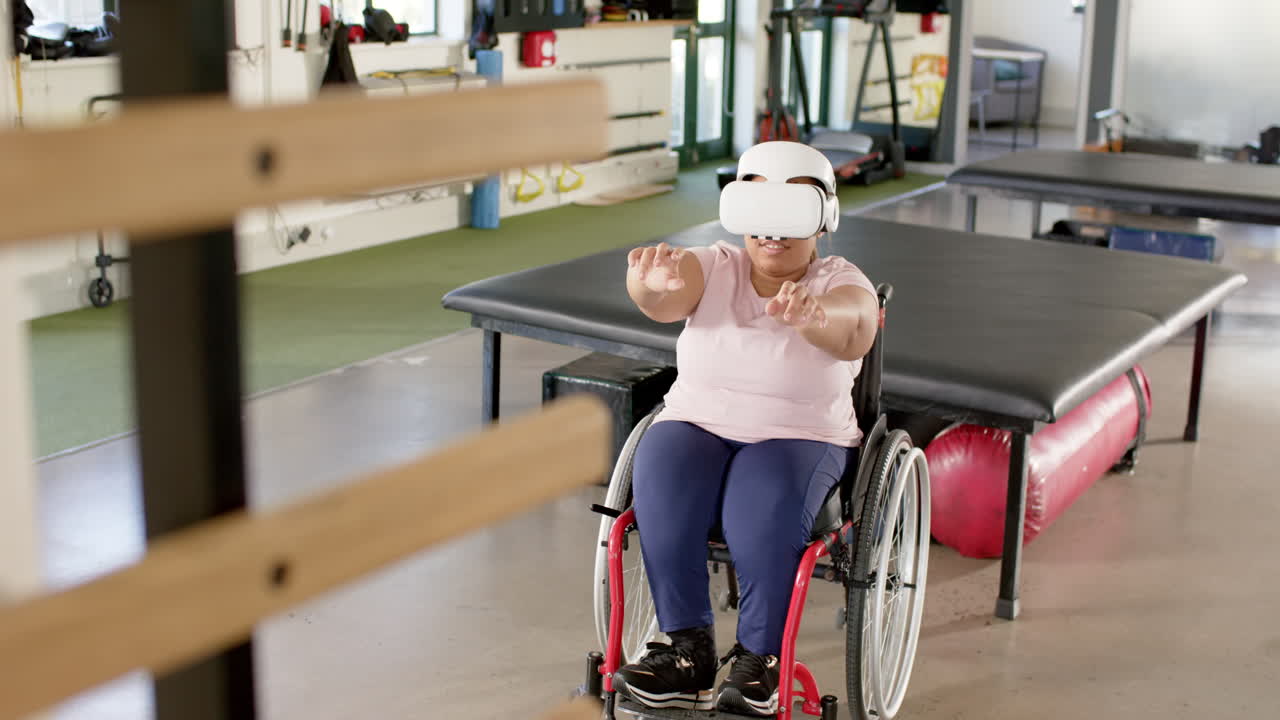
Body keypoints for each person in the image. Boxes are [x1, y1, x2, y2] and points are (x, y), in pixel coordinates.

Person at [612, 141, 881, 716]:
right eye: (759, 216)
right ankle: (687, 651)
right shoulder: (717, 264)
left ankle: (761, 660)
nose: (772, 234)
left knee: (758, 507)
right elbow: (665, 297)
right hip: (697, 422)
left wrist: (816, 317)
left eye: (788, 217)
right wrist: (648, 283)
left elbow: (856, 326)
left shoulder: (839, 278)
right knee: (660, 468)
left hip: (799, 434)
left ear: (821, 218)